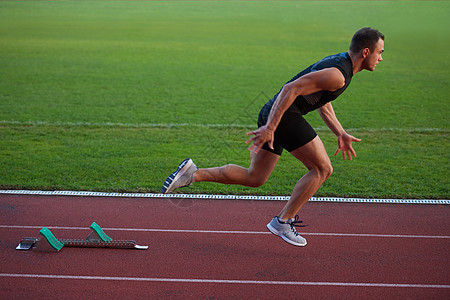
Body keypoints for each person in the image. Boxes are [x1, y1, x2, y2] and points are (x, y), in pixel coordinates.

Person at [162, 27, 385, 247]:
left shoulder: (341, 67)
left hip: (273, 112)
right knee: (322, 169)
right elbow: (290, 88)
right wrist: (271, 126)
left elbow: (321, 100)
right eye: (380, 52)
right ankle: (283, 221)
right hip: (284, 117)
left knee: (255, 177)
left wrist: (340, 132)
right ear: (365, 52)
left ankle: (193, 174)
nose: (381, 58)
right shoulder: (338, 75)